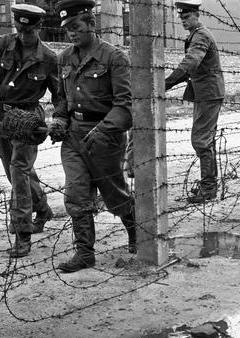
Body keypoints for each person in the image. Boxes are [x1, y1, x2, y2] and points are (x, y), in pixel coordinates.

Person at [49, 0, 136, 273]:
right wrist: (59, 120)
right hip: (74, 137)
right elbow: (61, 100)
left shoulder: (114, 58)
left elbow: (125, 107)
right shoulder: (64, 58)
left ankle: (136, 232)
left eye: (76, 27)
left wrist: (104, 130)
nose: (71, 34)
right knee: (76, 194)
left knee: (115, 195)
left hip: (105, 137)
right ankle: (84, 253)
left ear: (91, 24)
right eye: (67, 30)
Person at [0, 3, 59, 258]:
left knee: (19, 172)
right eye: (19, 29)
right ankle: (43, 209)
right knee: (13, 170)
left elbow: (59, 95)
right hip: (2, 114)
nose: (22, 35)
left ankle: (23, 233)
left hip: (29, 119)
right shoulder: (2, 44)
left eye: (28, 30)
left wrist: (59, 121)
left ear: (38, 27)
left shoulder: (49, 58)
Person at [164, 0, 225, 203]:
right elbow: (191, 67)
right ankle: (210, 185)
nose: (183, 20)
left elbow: (191, 62)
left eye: (186, 16)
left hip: (208, 93)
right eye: (181, 17)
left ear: (197, 15)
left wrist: (166, 83)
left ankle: (208, 189)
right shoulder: (196, 34)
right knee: (206, 140)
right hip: (206, 93)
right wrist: (168, 84)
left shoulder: (201, 35)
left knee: (200, 140)